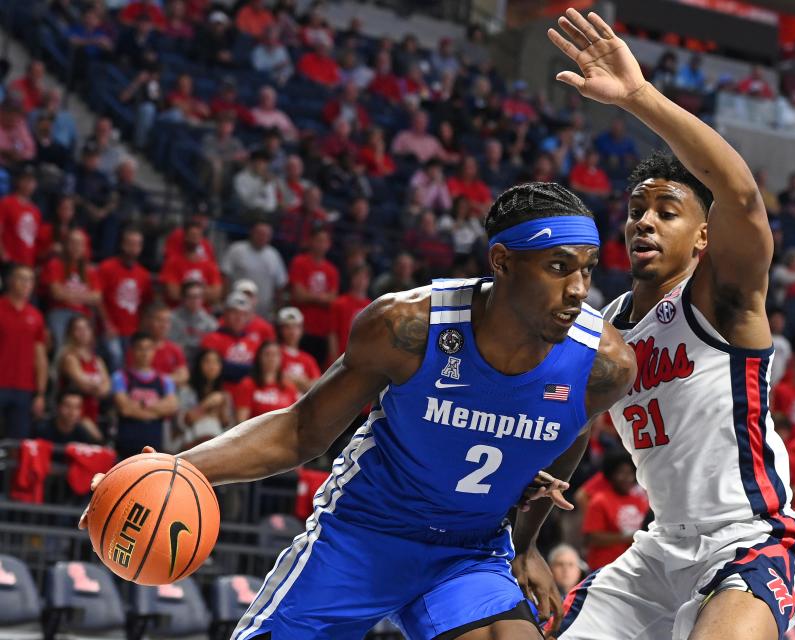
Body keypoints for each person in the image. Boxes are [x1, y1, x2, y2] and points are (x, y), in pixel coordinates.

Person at [80, 180, 637, 639]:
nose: (578, 290)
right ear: (503, 262)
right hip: (364, 535)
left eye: (587, 269)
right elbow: (300, 430)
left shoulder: (603, 364)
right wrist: (176, 468)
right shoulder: (407, 328)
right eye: (559, 267)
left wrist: (527, 542)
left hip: (470, 552)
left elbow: (569, 434)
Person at [526, 11, 795, 640]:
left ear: (704, 236)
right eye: (636, 210)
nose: (645, 222)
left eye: (667, 210)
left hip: (750, 538)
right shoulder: (602, 327)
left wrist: (638, 97)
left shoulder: (723, 299)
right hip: (658, 549)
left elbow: (739, 196)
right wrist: (523, 537)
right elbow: (566, 429)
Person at [111, 332, 179, 458]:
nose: (144, 353)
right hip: (126, 447)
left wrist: (141, 405)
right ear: (132, 351)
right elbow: (125, 409)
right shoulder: (120, 377)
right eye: (140, 348)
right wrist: (156, 411)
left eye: (148, 348)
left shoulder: (165, 380)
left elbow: (171, 407)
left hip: (155, 449)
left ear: (154, 351)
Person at [0, 264, 47, 439]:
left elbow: (40, 357)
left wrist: (40, 393)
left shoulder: (36, 316)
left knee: (18, 442)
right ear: (10, 281)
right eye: (22, 278)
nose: (26, 283)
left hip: (24, 387)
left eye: (30, 279)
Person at [582, 451, 649, 569]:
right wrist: (629, 537)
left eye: (630, 473)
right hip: (604, 567)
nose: (626, 478)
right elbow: (593, 538)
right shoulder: (600, 500)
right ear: (611, 474)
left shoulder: (640, 501)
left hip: (633, 565)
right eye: (621, 473)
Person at [98, 227, 152, 371]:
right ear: (123, 245)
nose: (133, 248)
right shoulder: (107, 267)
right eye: (130, 244)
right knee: (115, 356)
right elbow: (98, 299)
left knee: (131, 363)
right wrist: (107, 324)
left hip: (132, 330)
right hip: (110, 328)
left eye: (137, 245)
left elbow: (146, 304)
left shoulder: (144, 275)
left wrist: (141, 326)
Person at [288, 227, 339, 365]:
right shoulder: (299, 262)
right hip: (301, 327)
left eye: (325, 241)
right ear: (310, 241)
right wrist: (322, 298)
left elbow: (333, 301)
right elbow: (298, 295)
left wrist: (310, 296)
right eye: (318, 240)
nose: (321, 244)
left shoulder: (332, 270)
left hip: (322, 330)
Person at [221, 221, 288, 317]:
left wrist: (278, 309)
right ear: (252, 232)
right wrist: (225, 300)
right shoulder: (236, 249)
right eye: (259, 233)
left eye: (266, 235)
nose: (262, 237)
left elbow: (280, 285)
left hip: (262, 312)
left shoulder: (274, 255)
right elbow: (225, 276)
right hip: (236, 309)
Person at [56, 315, 110, 425]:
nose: (83, 332)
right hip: (73, 413)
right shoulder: (69, 357)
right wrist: (98, 387)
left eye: (86, 328)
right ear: (71, 333)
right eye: (78, 329)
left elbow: (107, 387)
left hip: (93, 409)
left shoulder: (97, 360)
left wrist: (98, 388)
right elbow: (81, 384)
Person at [174, 349, 231, 452]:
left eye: (216, 362)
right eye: (207, 361)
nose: (212, 366)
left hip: (218, 448)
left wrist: (222, 409)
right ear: (198, 365)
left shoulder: (225, 395)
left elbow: (228, 427)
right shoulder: (186, 391)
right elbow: (182, 423)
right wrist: (206, 405)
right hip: (192, 446)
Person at [234, 341, 298, 423]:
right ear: (259, 357)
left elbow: (294, 420)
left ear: (281, 359)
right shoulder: (248, 384)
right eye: (267, 354)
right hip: (256, 433)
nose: (271, 358)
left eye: (275, 355)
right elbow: (241, 423)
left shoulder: (288, 386)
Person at [276, 306, 322, 394]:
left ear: (301, 330)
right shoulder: (274, 353)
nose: (292, 331)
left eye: (296, 327)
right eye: (287, 327)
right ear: (280, 330)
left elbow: (317, 387)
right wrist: (304, 381)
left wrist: (294, 380)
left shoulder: (308, 359)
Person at [36, 390, 104, 444]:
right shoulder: (42, 430)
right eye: (67, 406)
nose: (72, 412)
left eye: (77, 407)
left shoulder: (82, 434)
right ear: (58, 407)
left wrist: (97, 438)